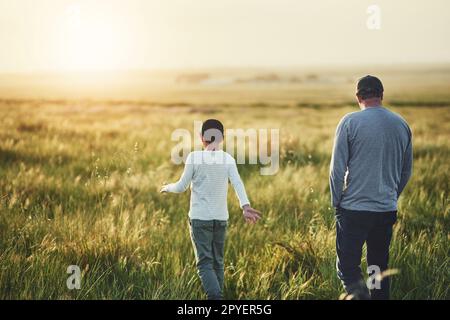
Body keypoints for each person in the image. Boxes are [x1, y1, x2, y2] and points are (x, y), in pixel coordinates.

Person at [329, 75, 413, 300]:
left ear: (358, 97)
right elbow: (406, 172)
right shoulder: (401, 124)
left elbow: (337, 171)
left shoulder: (350, 122)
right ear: (382, 95)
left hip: (354, 210)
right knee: (377, 268)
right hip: (386, 210)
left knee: (347, 267)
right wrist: (390, 197)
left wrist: (336, 202)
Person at [160, 119, 261, 300]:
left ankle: (216, 299)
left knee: (205, 264)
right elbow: (237, 183)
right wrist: (245, 206)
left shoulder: (194, 157)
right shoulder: (228, 159)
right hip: (221, 219)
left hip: (200, 220)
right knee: (218, 263)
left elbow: (182, 186)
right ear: (222, 138)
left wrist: (167, 187)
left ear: (201, 138)